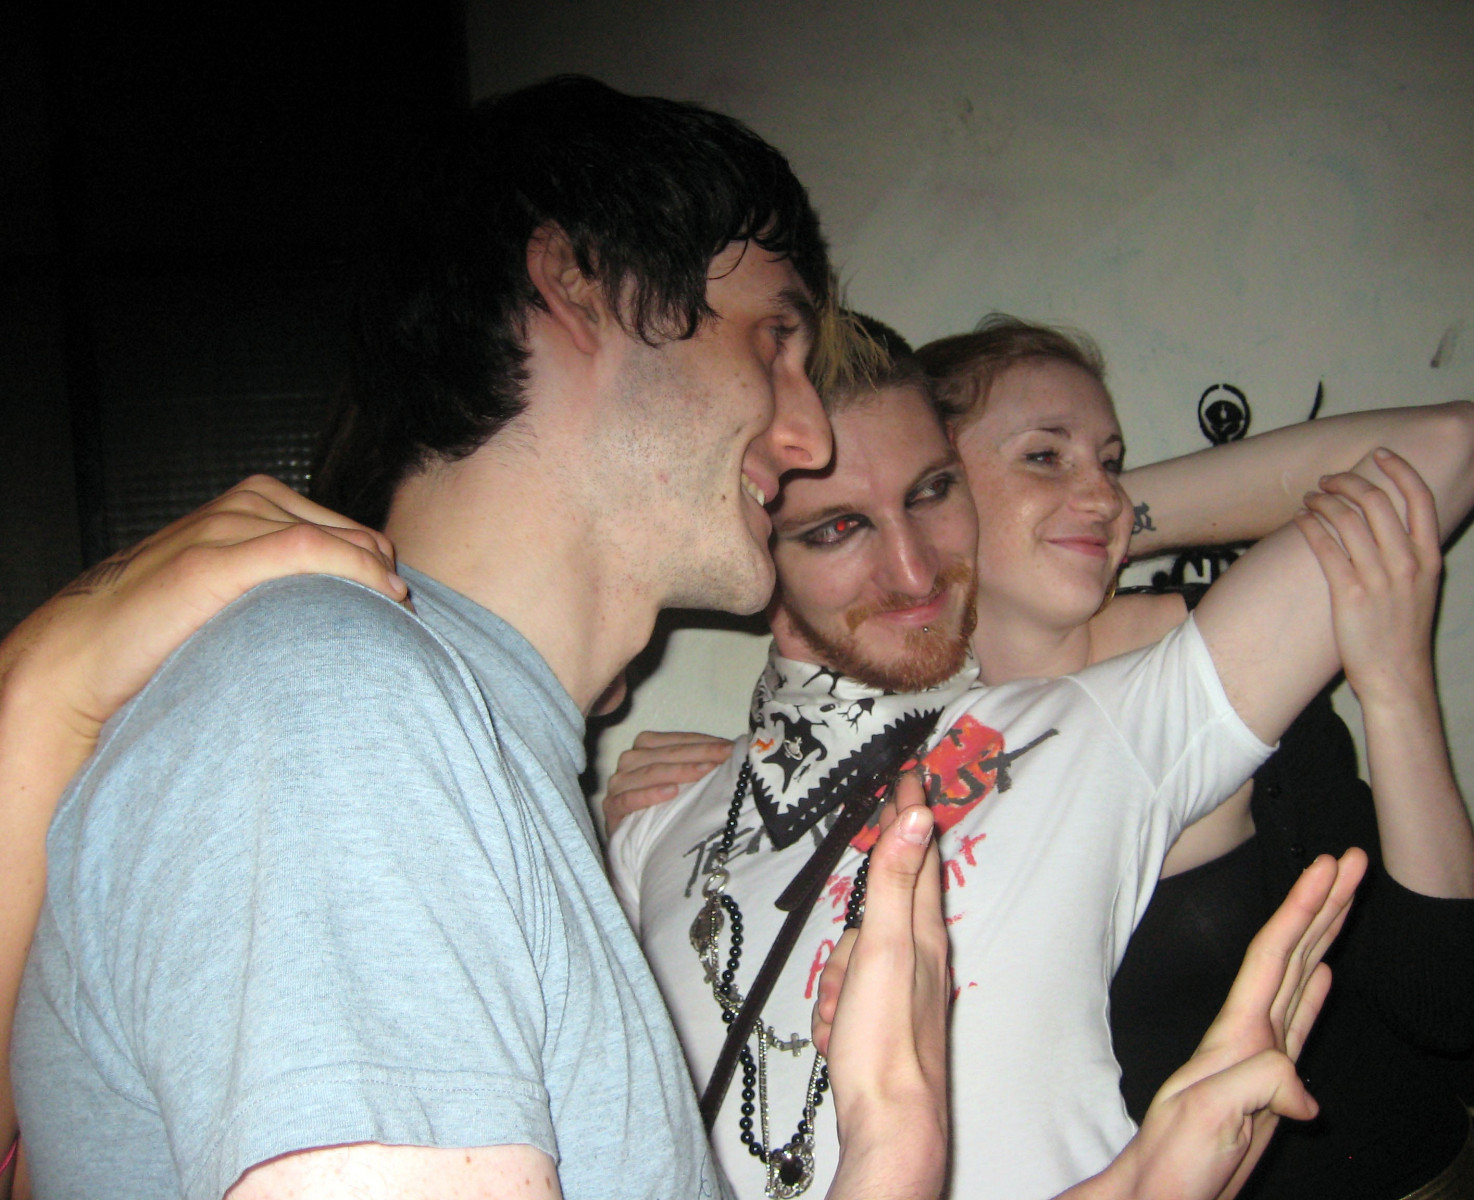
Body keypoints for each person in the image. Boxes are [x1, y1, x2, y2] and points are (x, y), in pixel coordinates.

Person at [0, 81, 1365, 1200]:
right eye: (772, 339)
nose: (805, 429)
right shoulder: (343, 712)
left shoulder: (478, 758)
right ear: (579, 285)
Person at [601, 317, 1474, 1199]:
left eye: (929, 491)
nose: (911, 567)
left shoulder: (1166, 685)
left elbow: (1444, 448)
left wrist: (1105, 517)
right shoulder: (828, 774)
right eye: (1043, 456)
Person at [921, 319, 1474, 1200]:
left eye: (1110, 461)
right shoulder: (910, 736)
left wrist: (1109, 517)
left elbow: (1438, 1002)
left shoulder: (1219, 659)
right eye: (1043, 454)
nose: (1100, 489)